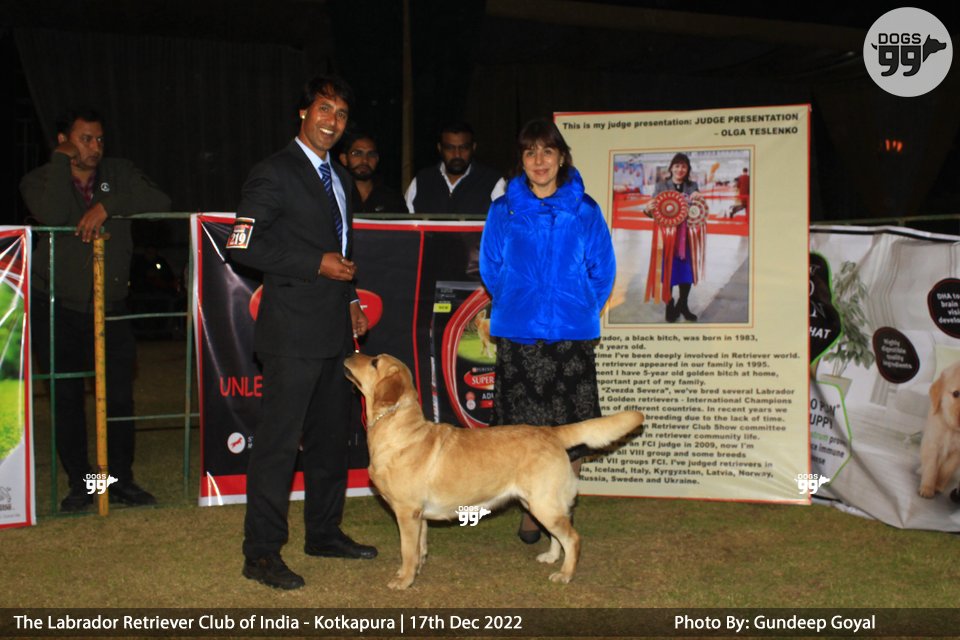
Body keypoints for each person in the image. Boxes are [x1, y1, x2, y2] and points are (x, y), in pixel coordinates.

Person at [226, 75, 376, 591]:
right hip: (290, 335)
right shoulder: (274, 171)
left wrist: (351, 298)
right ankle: (262, 553)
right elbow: (241, 245)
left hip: (334, 332)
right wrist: (315, 263)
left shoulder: (340, 178)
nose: (332, 121)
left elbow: (343, 250)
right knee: (278, 447)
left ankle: (324, 533)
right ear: (303, 113)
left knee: (331, 441)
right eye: (324, 109)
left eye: (341, 113)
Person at [21, 107, 170, 512]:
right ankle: (82, 483)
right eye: (85, 139)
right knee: (67, 398)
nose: (95, 147)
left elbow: (160, 200)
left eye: (99, 139)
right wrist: (60, 163)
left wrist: (108, 205)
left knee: (119, 397)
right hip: (58, 306)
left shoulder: (119, 172)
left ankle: (118, 480)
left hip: (112, 305)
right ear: (64, 141)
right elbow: (53, 214)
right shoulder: (38, 179)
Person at [479, 119, 615, 543]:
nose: (539, 160)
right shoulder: (503, 210)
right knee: (520, 433)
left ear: (561, 158)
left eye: (547, 151)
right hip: (519, 337)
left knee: (571, 430)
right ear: (521, 161)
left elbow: (603, 270)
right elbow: (491, 268)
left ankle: (557, 510)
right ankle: (530, 512)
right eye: (530, 152)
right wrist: (518, 302)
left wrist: (579, 307)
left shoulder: (585, 210)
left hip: (571, 338)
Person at [405, 121, 506, 214]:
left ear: (473, 148)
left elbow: (505, 224)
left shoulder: (493, 182)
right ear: (440, 148)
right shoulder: (422, 181)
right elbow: (406, 224)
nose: (457, 155)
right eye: (450, 148)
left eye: (464, 148)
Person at [648, 153, 700, 322]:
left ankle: (683, 304)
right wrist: (647, 209)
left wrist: (699, 199)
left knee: (686, 272)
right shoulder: (661, 186)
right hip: (667, 238)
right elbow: (653, 211)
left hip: (687, 239)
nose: (680, 169)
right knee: (668, 272)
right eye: (677, 166)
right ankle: (669, 304)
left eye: (684, 166)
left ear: (688, 169)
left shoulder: (693, 186)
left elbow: (698, 210)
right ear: (671, 168)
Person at [338, 132, 406, 213]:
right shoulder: (336, 193)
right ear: (344, 159)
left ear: (377, 159)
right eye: (357, 154)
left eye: (371, 154)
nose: (365, 160)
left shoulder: (392, 198)